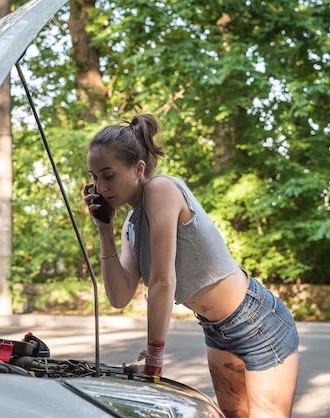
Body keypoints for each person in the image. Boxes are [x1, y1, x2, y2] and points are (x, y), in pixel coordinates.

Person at [83, 114, 299, 418]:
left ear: (138, 168)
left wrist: (154, 358)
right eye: (93, 177)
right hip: (218, 332)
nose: (100, 187)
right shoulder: (130, 225)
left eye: (108, 175)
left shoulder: (161, 189)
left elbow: (162, 281)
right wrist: (103, 230)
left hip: (257, 323)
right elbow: (119, 297)